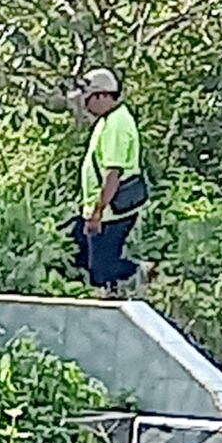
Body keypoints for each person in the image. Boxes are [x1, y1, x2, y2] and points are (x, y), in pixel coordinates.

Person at [69, 68, 147, 296]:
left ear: (103, 95)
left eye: (89, 100)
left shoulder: (116, 126)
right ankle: (109, 291)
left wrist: (97, 213)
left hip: (111, 211)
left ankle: (143, 273)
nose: (86, 106)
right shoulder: (108, 120)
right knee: (75, 250)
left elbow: (112, 174)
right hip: (98, 207)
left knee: (102, 269)